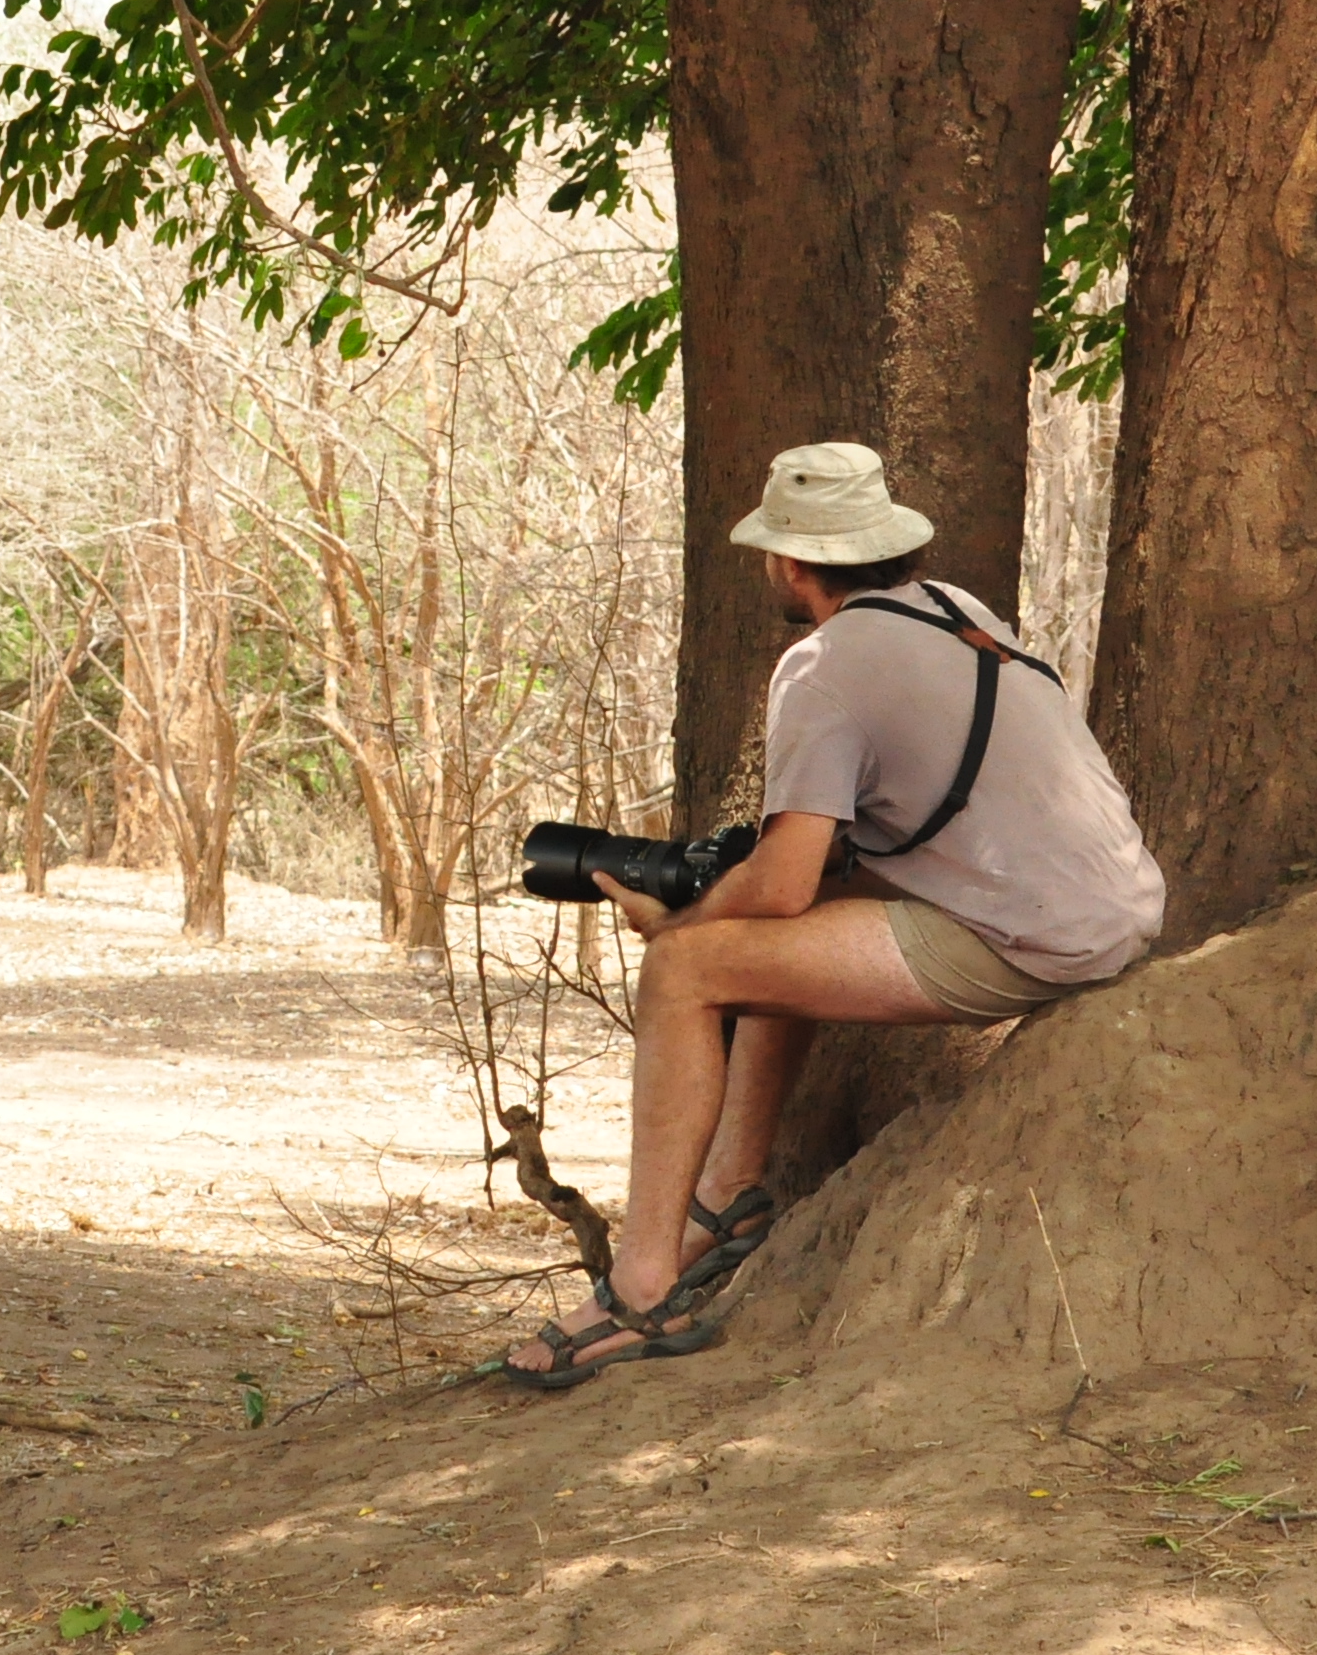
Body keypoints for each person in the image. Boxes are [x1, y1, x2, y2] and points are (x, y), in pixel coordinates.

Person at [490, 441, 1165, 1390]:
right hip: (1118, 903)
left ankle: (640, 1289)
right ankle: (728, 1196)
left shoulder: (822, 665)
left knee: (690, 969)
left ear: (789, 561)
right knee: (759, 947)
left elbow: (780, 888)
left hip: (1038, 938)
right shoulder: (957, 610)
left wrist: (677, 924)